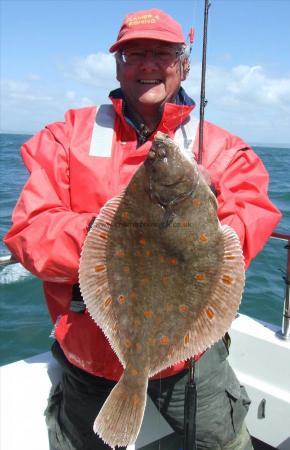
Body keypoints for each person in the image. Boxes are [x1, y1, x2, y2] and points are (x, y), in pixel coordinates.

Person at [4, 8, 282, 450]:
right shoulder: (64, 136)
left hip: (189, 360)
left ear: (184, 64)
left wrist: (204, 219)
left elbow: (252, 214)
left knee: (226, 443)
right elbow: (29, 233)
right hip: (89, 356)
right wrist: (108, 235)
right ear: (117, 65)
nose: (148, 63)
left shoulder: (225, 148)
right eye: (134, 54)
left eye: (163, 53)